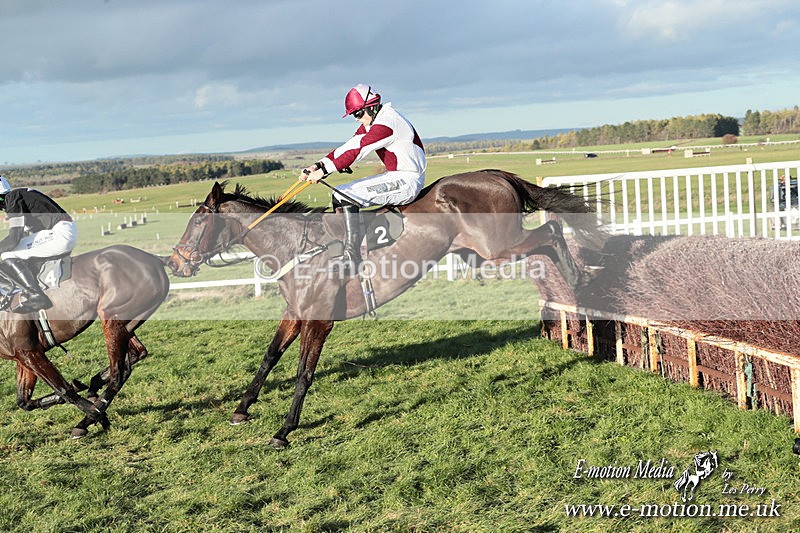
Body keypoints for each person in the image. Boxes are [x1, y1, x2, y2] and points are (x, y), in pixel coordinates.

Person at [299, 84, 426, 274]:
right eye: (353, 115)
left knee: (346, 195)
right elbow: (349, 145)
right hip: (395, 175)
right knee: (339, 194)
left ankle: (352, 258)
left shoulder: (386, 123)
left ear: (371, 107)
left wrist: (325, 171)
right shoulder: (374, 121)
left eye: (358, 114)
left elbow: (358, 150)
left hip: (408, 180)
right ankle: (346, 247)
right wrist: (318, 165)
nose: (357, 119)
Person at [0, 176, 78, 313]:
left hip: (59, 233)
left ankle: (36, 295)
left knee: (7, 254)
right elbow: (23, 236)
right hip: (62, 230)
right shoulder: (18, 196)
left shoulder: (12, 199)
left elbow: (14, 238)